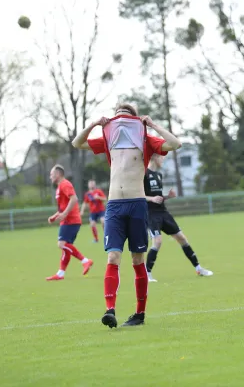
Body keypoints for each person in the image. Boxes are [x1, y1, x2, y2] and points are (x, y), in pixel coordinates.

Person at [72, 103, 181, 328]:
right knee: (113, 257)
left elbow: (175, 143)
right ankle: (110, 310)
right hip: (113, 206)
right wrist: (94, 124)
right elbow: (77, 143)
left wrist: (151, 125)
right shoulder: (108, 140)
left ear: (134, 120)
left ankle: (139, 314)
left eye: (125, 118)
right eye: (117, 118)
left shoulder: (145, 139)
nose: (120, 122)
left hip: (137, 205)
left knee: (137, 260)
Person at [144, 154, 213, 282]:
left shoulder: (159, 175)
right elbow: (138, 196)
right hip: (151, 214)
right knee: (157, 242)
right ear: (153, 157)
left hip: (163, 212)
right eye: (161, 157)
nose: (163, 159)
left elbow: (157, 197)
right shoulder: (144, 174)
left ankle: (198, 268)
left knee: (182, 238)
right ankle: (147, 274)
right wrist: (151, 198)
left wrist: (167, 197)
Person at [46, 164, 94, 281]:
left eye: (51, 174)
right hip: (67, 220)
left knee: (61, 244)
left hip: (71, 220)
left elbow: (74, 199)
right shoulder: (59, 187)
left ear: (58, 174)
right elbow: (62, 207)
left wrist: (65, 214)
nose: (50, 177)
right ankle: (60, 274)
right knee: (66, 248)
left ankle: (85, 261)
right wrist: (55, 216)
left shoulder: (65, 184)